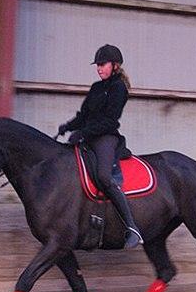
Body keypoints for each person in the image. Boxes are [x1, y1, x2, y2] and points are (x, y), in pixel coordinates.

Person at [58, 44, 143, 249]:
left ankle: (132, 227)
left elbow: (110, 121)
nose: (99, 68)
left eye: (102, 64)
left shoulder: (118, 88)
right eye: (97, 65)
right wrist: (68, 126)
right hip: (88, 136)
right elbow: (84, 116)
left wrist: (83, 132)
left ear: (114, 65)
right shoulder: (97, 87)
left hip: (106, 138)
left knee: (104, 178)